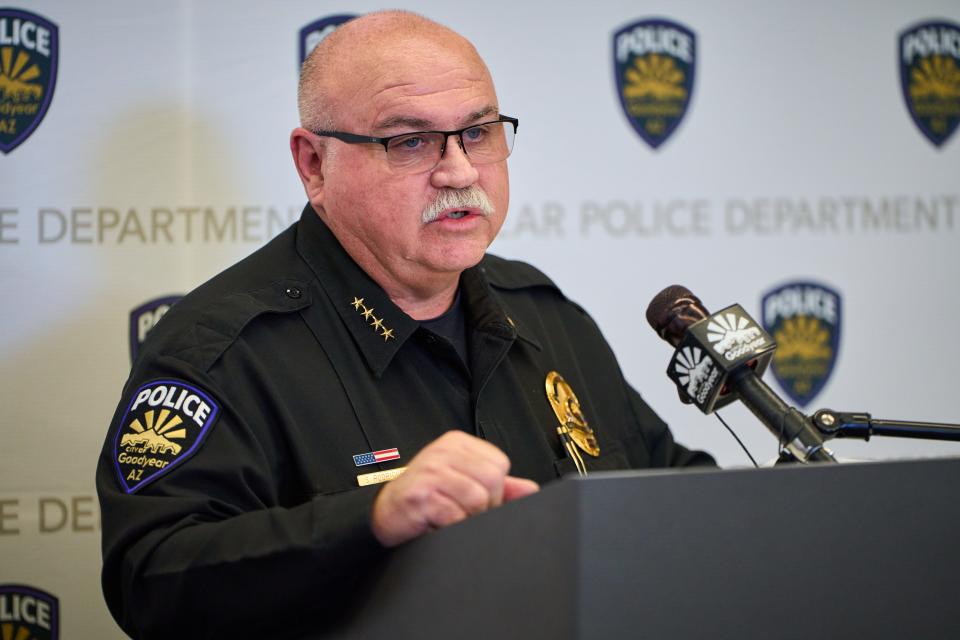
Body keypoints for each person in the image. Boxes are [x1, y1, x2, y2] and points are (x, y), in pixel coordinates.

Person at [96, 10, 714, 638]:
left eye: (477, 132)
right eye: (410, 141)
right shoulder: (223, 350)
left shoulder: (540, 311)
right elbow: (151, 581)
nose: (459, 171)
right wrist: (372, 517)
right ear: (314, 165)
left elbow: (663, 490)